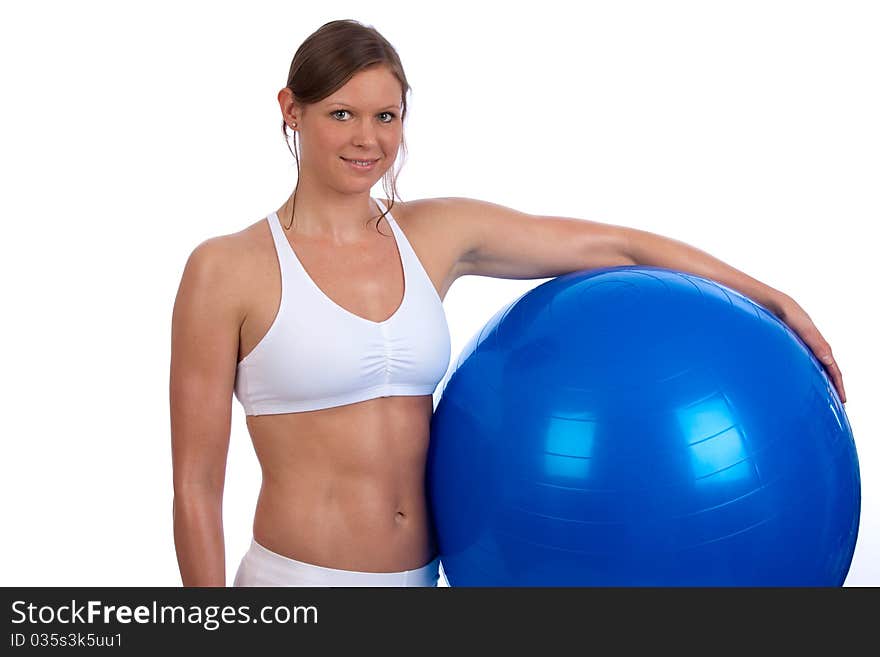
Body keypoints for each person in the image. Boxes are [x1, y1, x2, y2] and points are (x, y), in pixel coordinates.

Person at [169, 19, 847, 587]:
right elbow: (197, 484)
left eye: (386, 116)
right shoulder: (227, 269)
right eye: (340, 113)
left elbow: (620, 248)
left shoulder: (432, 235)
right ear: (292, 109)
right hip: (297, 583)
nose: (367, 140)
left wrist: (775, 300)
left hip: (426, 577)